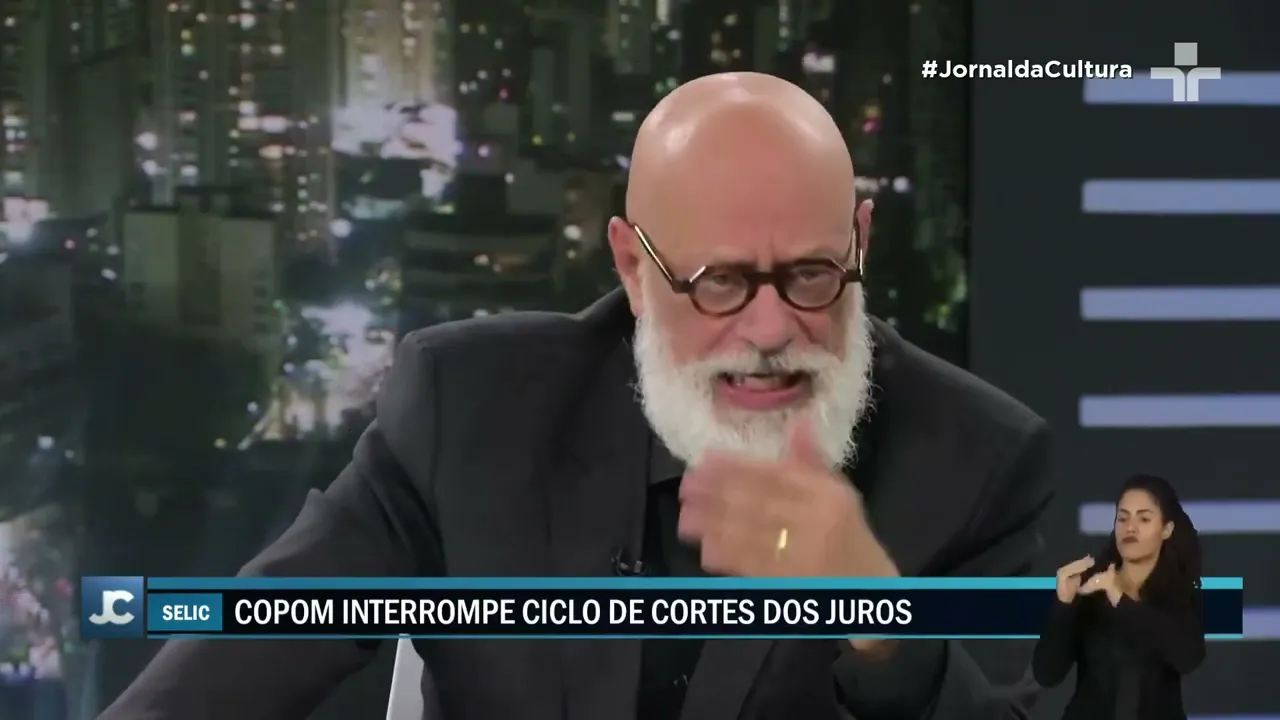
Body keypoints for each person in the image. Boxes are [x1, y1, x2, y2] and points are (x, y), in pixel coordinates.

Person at [100, 72, 1052, 720]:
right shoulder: (470, 411)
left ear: (860, 243)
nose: (770, 330)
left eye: (811, 275)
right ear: (633, 269)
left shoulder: (978, 460)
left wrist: (881, 623)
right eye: (719, 283)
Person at [1033, 474, 1205, 720]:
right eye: (1122, 518)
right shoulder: (1090, 587)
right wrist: (1064, 604)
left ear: (1166, 529)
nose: (1130, 527)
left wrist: (1120, 599)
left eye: (1144, 519)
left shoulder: (1179, 590)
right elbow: (1047, 674)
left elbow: (1188, 658)